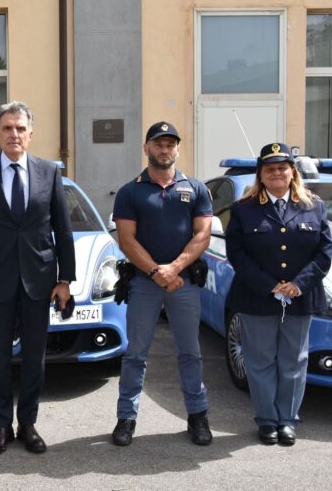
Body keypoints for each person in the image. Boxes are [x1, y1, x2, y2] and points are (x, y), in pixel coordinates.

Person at [0, 101, 76, 455]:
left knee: (35, 357)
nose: (14, 134)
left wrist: (65, 279)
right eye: (7, 128)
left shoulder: (49, 173)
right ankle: (1, 426)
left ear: (30, 134)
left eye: (20, 128)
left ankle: (28, 424)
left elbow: (63, 231)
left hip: (39, 282)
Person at [111, 121, 214, 447]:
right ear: (147, 148)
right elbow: (126, 241)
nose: (164, 149)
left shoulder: (195, 188)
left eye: (170, 144)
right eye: (158, 143)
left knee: (190, 353)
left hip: (183, 283)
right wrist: (158, 272)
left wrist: (175, 268)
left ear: (177, 149)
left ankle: (198, 416)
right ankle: (126, 418)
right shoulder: (131, 191)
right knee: (136, 355)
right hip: (144, 283)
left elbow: (203, 235)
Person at [225, 143, 332, 446]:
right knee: (260, 362)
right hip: (257, 297)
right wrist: (268, 284)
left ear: (292, 172)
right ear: (261, 174)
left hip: (300, 296)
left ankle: (287, 421)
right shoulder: (244, 208)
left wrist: (299, 283)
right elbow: (237, 253)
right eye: (270, 168)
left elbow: (324, 253)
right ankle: (266, 420)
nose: (277, 173)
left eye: (282, 167)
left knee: (294, 361)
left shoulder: (313, 206)